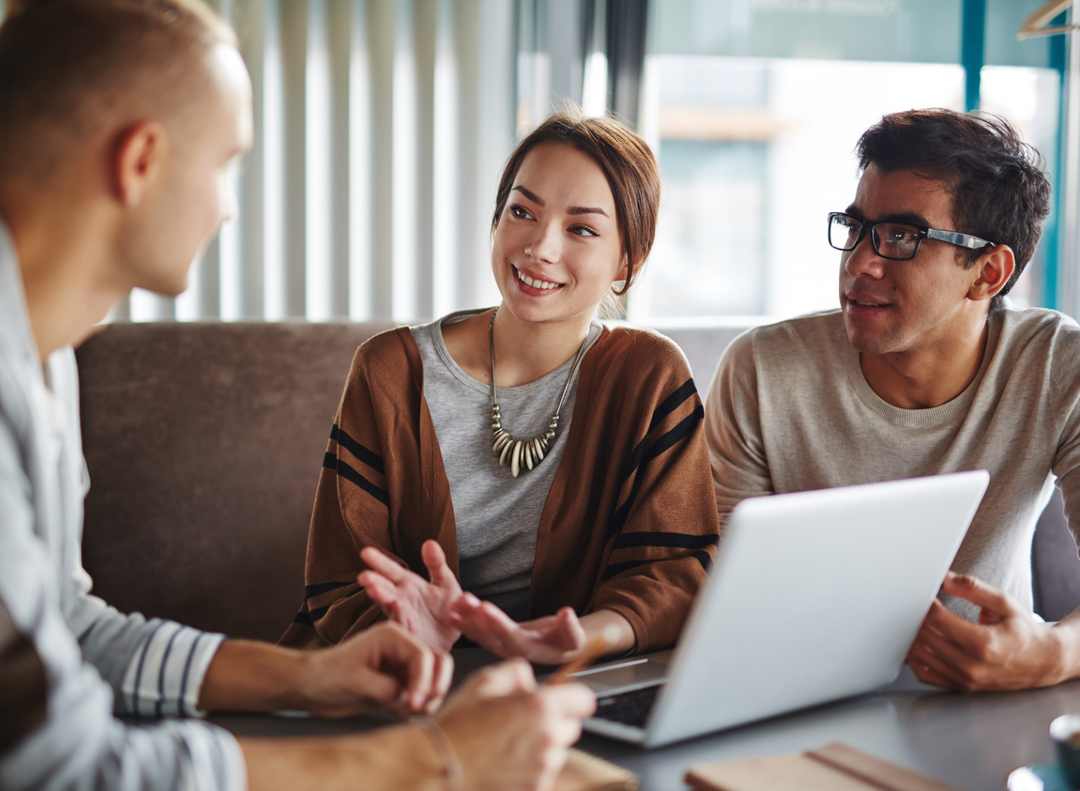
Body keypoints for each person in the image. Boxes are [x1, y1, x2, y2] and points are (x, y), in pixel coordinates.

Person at [0, 1, 595, 789]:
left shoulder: (44, 354)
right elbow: (64, 771)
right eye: (225, 164)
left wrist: (304, 677)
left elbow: (66, 632)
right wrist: (432, 756)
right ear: (139, 160)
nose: (229, 204)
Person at [280, 111, 721, 665]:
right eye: (522, 211)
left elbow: (675, 574)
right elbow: (341, 577)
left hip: (569, 684)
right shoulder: (390, 370)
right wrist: (424, 645)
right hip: (394, 679)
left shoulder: (650, 375)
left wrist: (578, 639)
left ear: (627, 261)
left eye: (581, 228)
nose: (540, 247)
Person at [704, 107, 1080, 693]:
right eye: (855, 228)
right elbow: (721, 590)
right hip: (792, 697)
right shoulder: (761, 369)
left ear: (988, 273)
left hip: (987, 706)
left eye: (902, 237)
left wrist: (1053, 653)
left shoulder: (1057, 365)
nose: (858, 263)